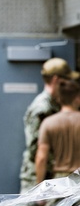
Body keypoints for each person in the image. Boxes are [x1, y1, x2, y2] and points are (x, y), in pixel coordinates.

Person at [20, 57, 78, 193]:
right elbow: (36, 149)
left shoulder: (55, 104)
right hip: (37, 178)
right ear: (56, 80)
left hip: (52, 178)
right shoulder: (42, 108)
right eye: (65, 81)